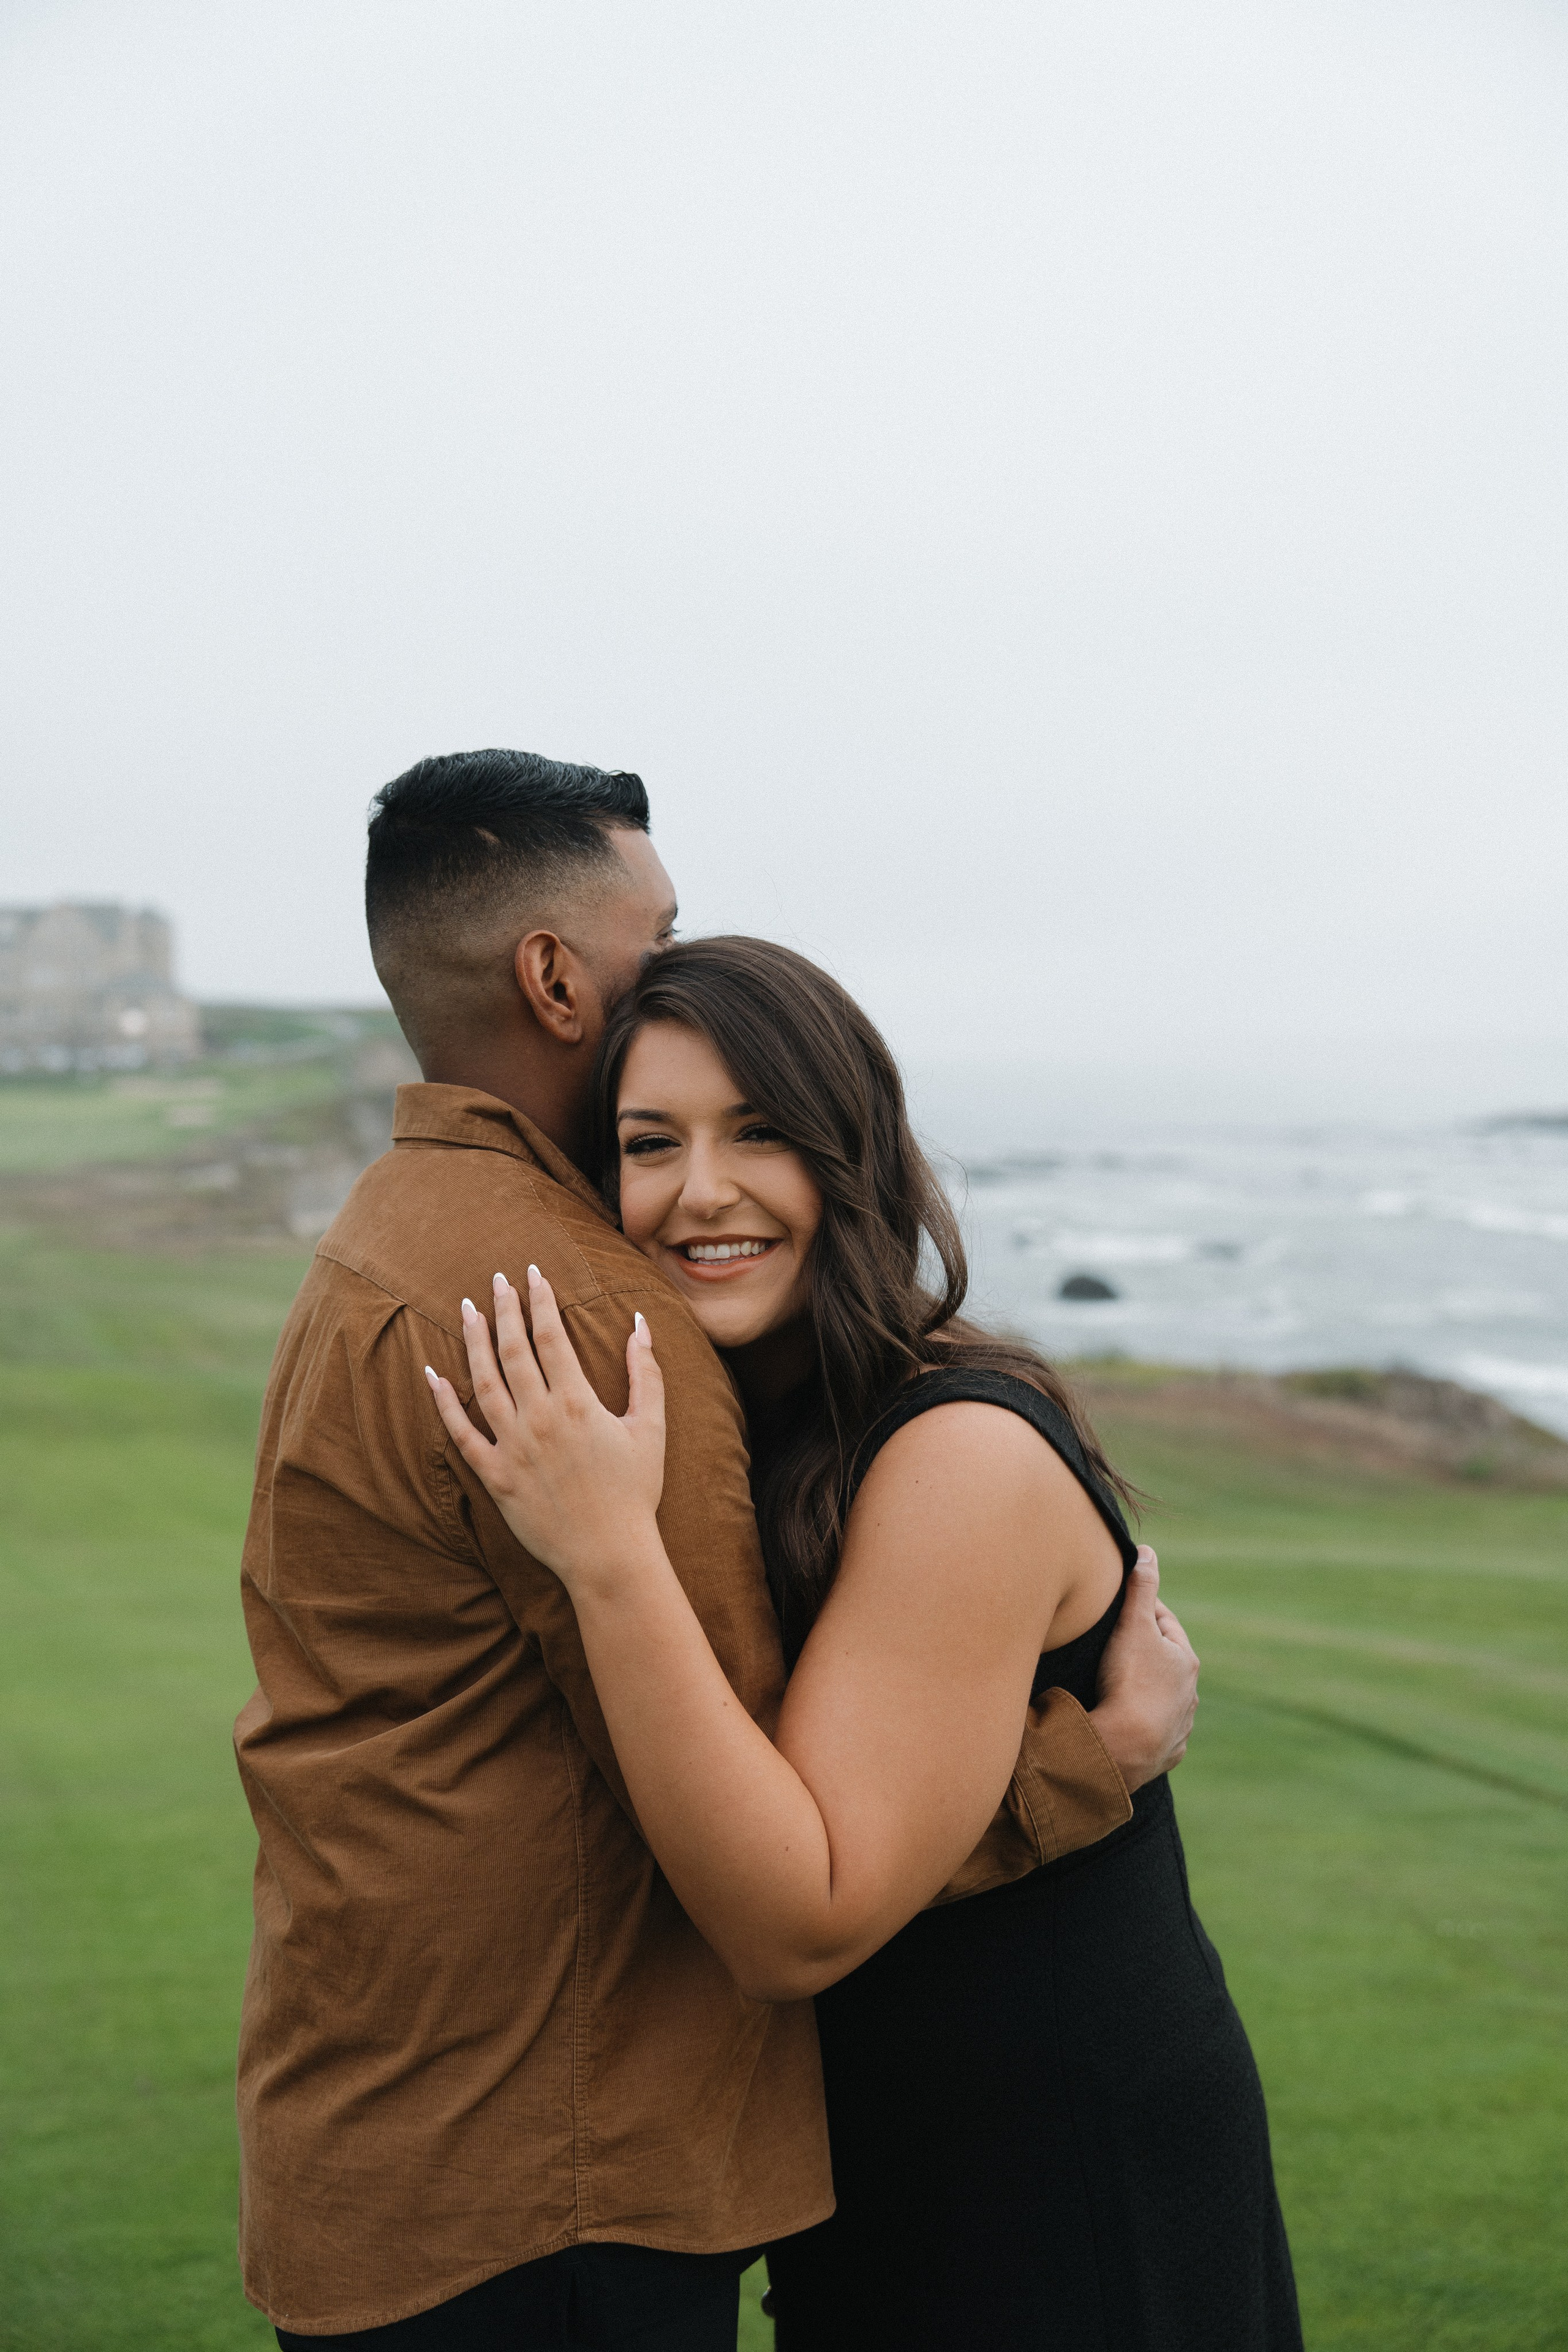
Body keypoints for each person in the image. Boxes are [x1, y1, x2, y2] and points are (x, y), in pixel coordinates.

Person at [234, 752, 1199, 2349]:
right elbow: (791, 1855)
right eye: (656, 924)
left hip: (383, 2149)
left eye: (759, 1132)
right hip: (551, 2183)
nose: (675, 953)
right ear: (555, 975)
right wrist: (1089, 1757)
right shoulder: (589, 1320)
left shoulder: (387, 1235)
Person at [429, 933, 1302, 2351]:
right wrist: (1086, 1761)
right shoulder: (755, 1433)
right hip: (869, 2166)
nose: (699, 1190)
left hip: (1055, 2169)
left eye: (759, 1132)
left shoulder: (956, 1450)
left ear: (850, 1158)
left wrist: (604, 1553)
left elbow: (796, 1919)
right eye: (650, 1144)